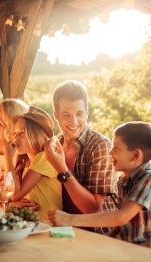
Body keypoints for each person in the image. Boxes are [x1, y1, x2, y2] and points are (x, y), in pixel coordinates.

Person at [48, 122, 151, 247]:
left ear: (136, 155)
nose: (110, 152)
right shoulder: (124, 180)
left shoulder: (148, 178)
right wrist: (105, 241)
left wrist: (69, 219)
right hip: (125, 247)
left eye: (116, 148)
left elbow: (122, 216)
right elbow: (122, 224)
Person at [44, 80, 118, 234]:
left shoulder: (100, 146)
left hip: (98, 235)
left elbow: (93, 208)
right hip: (64, 231)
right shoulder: (54, 146)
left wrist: (62, 169)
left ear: (87, 113)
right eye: (66, 115)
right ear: (56, 115)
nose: (74, 121)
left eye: (79, 114)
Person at [4, 106, 62, 220]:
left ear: (35, 135)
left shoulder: (44, 158)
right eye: (15, 132)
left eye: (22, 133)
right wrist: (12, 204)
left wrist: (7, 157)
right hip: (33, 223)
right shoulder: (28, 162)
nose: (15, 137)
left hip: (48, 224)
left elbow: (16, 194)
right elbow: (12, 195)